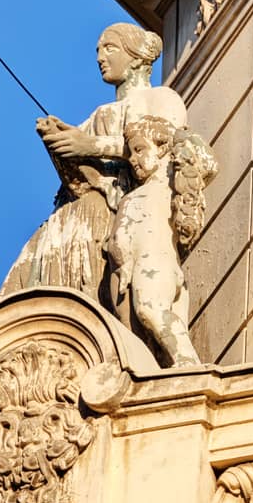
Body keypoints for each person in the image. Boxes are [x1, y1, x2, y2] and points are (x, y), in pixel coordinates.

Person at [1, 24, 188, 299]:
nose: (100, 57)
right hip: (72, 218)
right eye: (98, 50)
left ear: (136, 56)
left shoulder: (159, 98)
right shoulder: (98, 115)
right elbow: (79, 182)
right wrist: (59, 143)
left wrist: (88, 145)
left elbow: (157, 145)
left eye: (109, 48)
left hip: (114, 216)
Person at [108, 116, 216, 367]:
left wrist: (180, 136)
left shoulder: (169, 183)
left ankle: (188, 366)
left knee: (151, 310)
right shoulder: (142, 191)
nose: (133, 159)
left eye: (139, 149)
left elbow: (209, 164)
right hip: (147, 270)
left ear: (161, 148)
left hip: (154, 264)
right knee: (154, 332)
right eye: (131, 153)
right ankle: (181, 368)